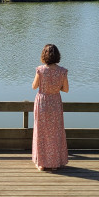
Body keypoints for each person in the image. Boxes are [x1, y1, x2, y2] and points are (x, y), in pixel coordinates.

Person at [31, 43, 69, 171]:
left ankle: (41, 164)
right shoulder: (62, 71)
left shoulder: (40, 70)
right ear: (57, 55)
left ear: (44, 55)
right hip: (55, 102)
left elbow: (34, 86)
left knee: (41, 132)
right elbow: (66, 89)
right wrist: (55, 87)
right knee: (55, 132)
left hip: (42, 102)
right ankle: (54, 164)